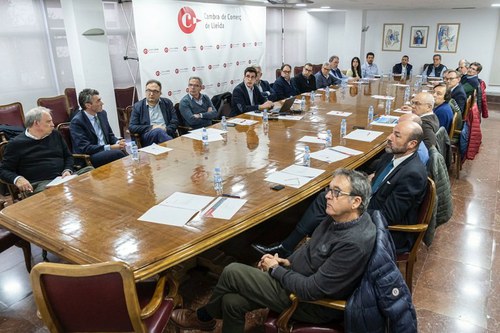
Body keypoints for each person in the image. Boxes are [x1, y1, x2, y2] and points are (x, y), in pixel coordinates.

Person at [171, 169, 376, 333]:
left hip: (311, 303)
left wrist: (275, 270)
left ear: (356, 202)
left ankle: (203, 317)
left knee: (232, 271)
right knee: (231, 302)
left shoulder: (353, 243)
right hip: (298, 277)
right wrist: (285, 262)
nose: (328, 196)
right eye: (328, 189)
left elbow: (312, 290)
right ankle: (206, 319)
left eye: (336, 192)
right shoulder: (340, 217)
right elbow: (309, 249)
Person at [253, 121, 427, 257]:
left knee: (329, 200)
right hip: (369, 204)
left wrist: (351, 207)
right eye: (392, 132)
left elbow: (388, 216)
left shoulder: (413, 174)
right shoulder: (393, 155)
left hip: (387, 231)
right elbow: (375, 181)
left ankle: (294, 251)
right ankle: (290, 247)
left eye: (397, 135)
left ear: (412, 144)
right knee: (328, 196)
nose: (389, 137)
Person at [0, 107, 92, 195]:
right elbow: (3, 170)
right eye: (48, 121)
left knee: (90, 172)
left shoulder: (55, 134)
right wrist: (17, 179)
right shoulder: (16, 144)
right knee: (57, 191)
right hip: (40, 184)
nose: (53, 124)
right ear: (36, 123)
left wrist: (67, 170)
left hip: (63, 178)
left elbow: (68, 156)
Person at [70, 89, 126, 168]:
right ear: (88, 105)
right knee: (118, 153)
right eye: (98, 101)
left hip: (106, 151)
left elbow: (110, 135)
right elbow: (85, 148)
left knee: (126, 152)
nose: (102, 103)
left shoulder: (102, 114)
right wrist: (110, 147)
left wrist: (118, 142)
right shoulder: (77, 122)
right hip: (90, 156)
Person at [129, 79, 178, 146]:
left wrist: (166, 129)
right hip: (148, 137)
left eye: (155, 91)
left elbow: (175, 121)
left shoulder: (167, 103)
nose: (151, 94)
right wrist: (151, 127)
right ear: (145, 92)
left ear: (160, 93)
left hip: (167, 134)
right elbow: (132, 127)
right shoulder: (138, 106)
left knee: (160, 132)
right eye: (149, 90)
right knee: (158, 131)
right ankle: (174, 147)